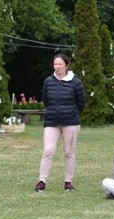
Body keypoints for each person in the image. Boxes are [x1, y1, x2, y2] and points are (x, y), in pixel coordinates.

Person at [35, 53, 85, 192]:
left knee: (69, 152)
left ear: (67, 65)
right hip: (52, 121)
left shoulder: (76, 82)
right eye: (55, 64)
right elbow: (45, 100)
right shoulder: (48, 81)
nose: (57, 67)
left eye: (60, 64)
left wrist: (71, 114)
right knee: (48, 151)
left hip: (71, 122)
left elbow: (81, 102)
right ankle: (41, 181)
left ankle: (68, 182)